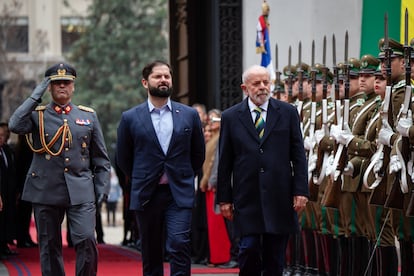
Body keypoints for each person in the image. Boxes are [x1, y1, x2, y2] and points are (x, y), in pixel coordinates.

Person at [8, 62, 111, 276]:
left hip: (81, 189)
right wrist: (37, 93)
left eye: (66, 82)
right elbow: (14, 125)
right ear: (50, 87)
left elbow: (101, 159)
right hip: (45, 188)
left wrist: (101, 189)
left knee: (86, 239)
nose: (62, 86)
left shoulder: (88, 116)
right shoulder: (37, 116)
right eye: (56, 83)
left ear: (73, 86)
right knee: (49, 245)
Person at [217, 65, 309, 276]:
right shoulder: (231, 117)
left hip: (279, 196)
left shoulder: (287, 112)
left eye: (265, 82)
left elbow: (298, 156)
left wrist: (301, 191)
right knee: (248, 249)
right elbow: (225, 161)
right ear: (244, 87)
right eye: (256, 83)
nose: (262, 87)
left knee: (275, 256)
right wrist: (224, 198)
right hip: (246, 197)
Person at [116, 60, 205, 276]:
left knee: (179, 243)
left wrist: (182, 175)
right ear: (145, 82)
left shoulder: (188, 115)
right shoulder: (130, 118)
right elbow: (123, 157)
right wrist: (141, 176)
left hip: (178, 193)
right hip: (147, 194)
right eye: (158, 76)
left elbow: (198, 153)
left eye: (167, 76)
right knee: (151, 250)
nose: (163, 80)